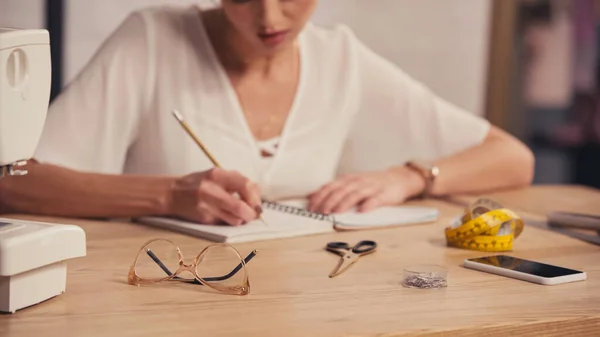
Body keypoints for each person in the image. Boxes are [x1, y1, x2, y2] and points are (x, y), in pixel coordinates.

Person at [0, 0, 534, 226]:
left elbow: (513, 158)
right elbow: (12, 177)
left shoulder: (339, 58)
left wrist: (409, 175)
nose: (269, 17)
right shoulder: (154, 39)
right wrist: (167, 195)